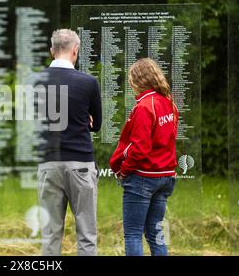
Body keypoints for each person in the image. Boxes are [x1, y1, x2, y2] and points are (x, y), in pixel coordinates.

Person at [37, 28, 102, 256]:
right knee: (86, 234)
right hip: (81, 165)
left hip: (48, 163)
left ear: (51, 51)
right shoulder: (88, 82)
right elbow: (97, 124)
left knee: (50, 234)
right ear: (76, 51)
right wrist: (85, 119)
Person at [110, 58, 178, 256]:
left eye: (131, 80)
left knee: (132, 234)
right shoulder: (168, 102)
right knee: (156, 234)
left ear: (139, 80)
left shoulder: (144, 107)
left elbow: (140, 149)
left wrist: (124, 170)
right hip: (165, 176)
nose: (131, 86)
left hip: (143, 176)